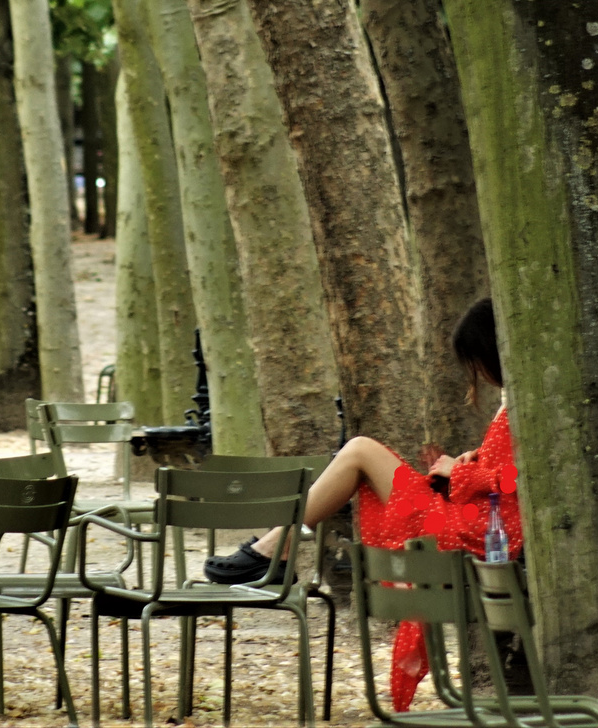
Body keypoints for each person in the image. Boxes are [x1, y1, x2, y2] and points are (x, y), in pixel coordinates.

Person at [202, 298, 522, 712]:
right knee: (358, 453)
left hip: (480, 531)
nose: (479, 373)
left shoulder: (522, 406)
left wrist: (459, 472)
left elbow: (517, 481)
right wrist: (471, 459)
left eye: (478, 360)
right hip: (471, 521)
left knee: (358, 451)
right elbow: (504, 470)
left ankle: (273, 547)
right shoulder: (512, 404)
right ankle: (275, 547)